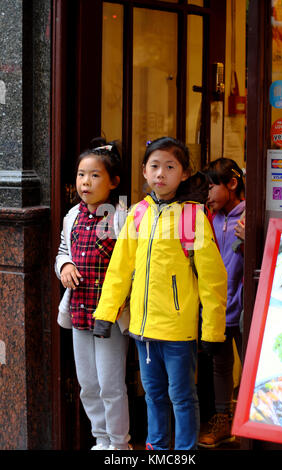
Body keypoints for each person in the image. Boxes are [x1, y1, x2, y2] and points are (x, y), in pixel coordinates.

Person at [93, 137, 227, 450]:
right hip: (142, 329)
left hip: (178, 330)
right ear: (144, 171)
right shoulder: (138, 213)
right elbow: (120, 269)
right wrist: (105, 313)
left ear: (184, 173)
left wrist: (212, 330)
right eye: (154, 166)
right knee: (153, 395)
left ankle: (184, 451)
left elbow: (213, 279)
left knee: (181, 397)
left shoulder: (193, 217)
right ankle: (157, 448)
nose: (161, 174)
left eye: (170, 167)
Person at [55, 138, 131, 450]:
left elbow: (132, 264)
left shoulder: (122, 216)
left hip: (109, 314)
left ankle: (119, 443)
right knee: (88, 384)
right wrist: (65, 266)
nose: (86, 182)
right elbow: (62, 251)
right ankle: (100, 440)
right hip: (79, 312)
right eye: (81, 175)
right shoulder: (72, 215)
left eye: (95, 175)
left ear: (113, 182)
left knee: (111, 385)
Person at [198, 157, 245, 448]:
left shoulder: (248, 216)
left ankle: (256, 424)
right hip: (216, 307)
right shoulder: (209, 219)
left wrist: (254, 237)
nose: (207, 194)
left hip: (243, 307)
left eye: (211, 186)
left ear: (231, 183)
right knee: (220, 365)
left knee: (250, 363)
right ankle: (222, 421)